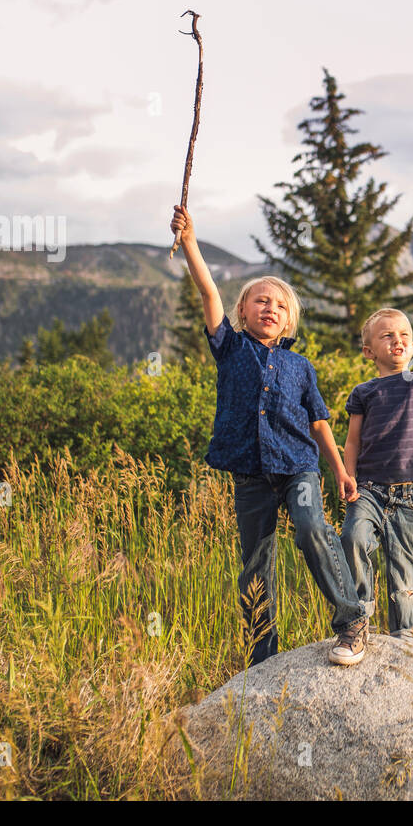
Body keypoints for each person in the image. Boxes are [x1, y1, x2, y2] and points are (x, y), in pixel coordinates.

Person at [170, 205, 366, 666]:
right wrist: (192, 241)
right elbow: (207, 290)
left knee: (311, 527)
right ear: (242, 310)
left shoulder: (300, 367)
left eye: (280, 305)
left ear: (289, 320)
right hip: (251, 474)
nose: (269, 308)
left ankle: (352, 619)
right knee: (255, 566)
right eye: (260, 301)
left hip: (298, 467)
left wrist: (340, 471)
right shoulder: (230, 347)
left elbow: (319, 423)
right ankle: (262, 658)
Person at [334, 290, 413, 664]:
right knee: (352, 538)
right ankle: (357, 623)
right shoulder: (364, 391)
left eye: (405, 335)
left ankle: (404, 634)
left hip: (410, 494)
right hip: (370, 489)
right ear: (369, 351)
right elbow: (353, 440)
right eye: (387, 335)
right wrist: (349, 476)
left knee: (403, 563)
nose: (398, 340)